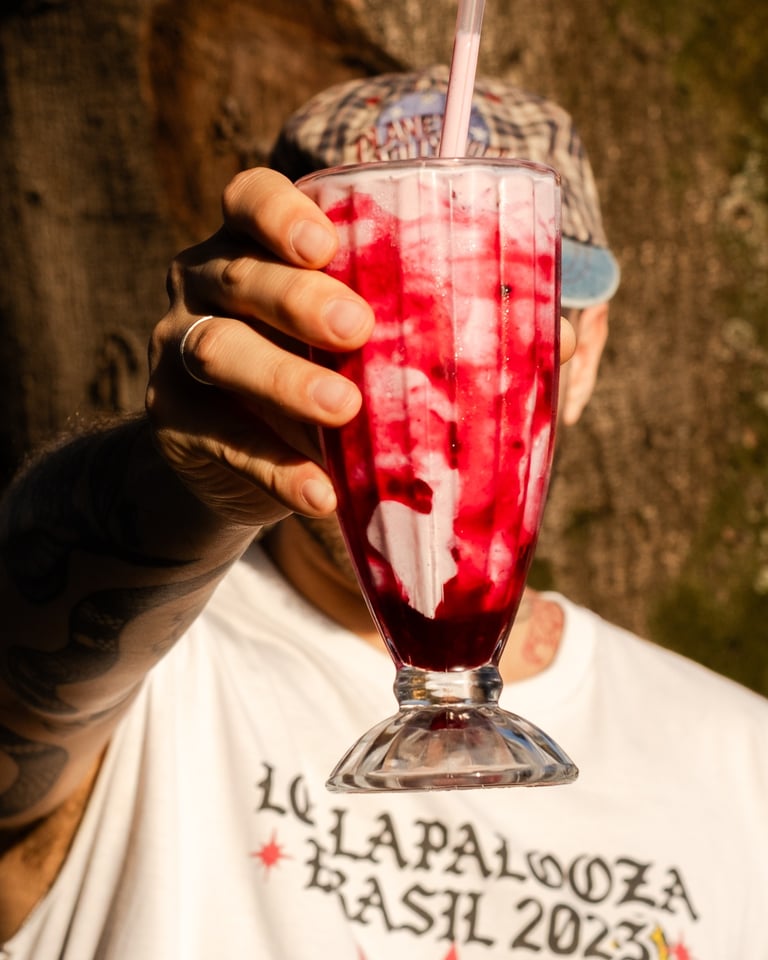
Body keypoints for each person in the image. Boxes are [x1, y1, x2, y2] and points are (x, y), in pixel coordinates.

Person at [0, 64, 766, 959]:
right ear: (272, 311)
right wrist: (164, 485)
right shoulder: (149, 683)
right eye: (370, 303)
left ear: (582, 351)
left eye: (500, 299)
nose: (437, 364)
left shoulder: (742, 763)